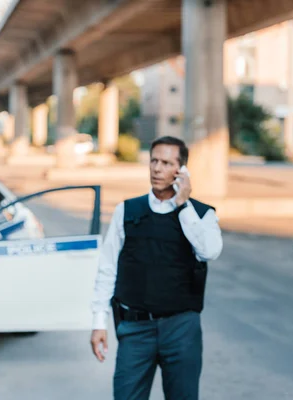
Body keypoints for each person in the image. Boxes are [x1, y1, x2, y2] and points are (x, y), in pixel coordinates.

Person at [90, 136, 223, 400]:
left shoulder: (201, 214)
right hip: (135, 329)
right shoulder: (127, 211)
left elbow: (209, 251)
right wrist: (98, 322)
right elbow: (107, 267)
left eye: (166, 163)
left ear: (181, 170)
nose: (157, 168)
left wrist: (183, 205)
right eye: (153, 161)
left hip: (181, 328)